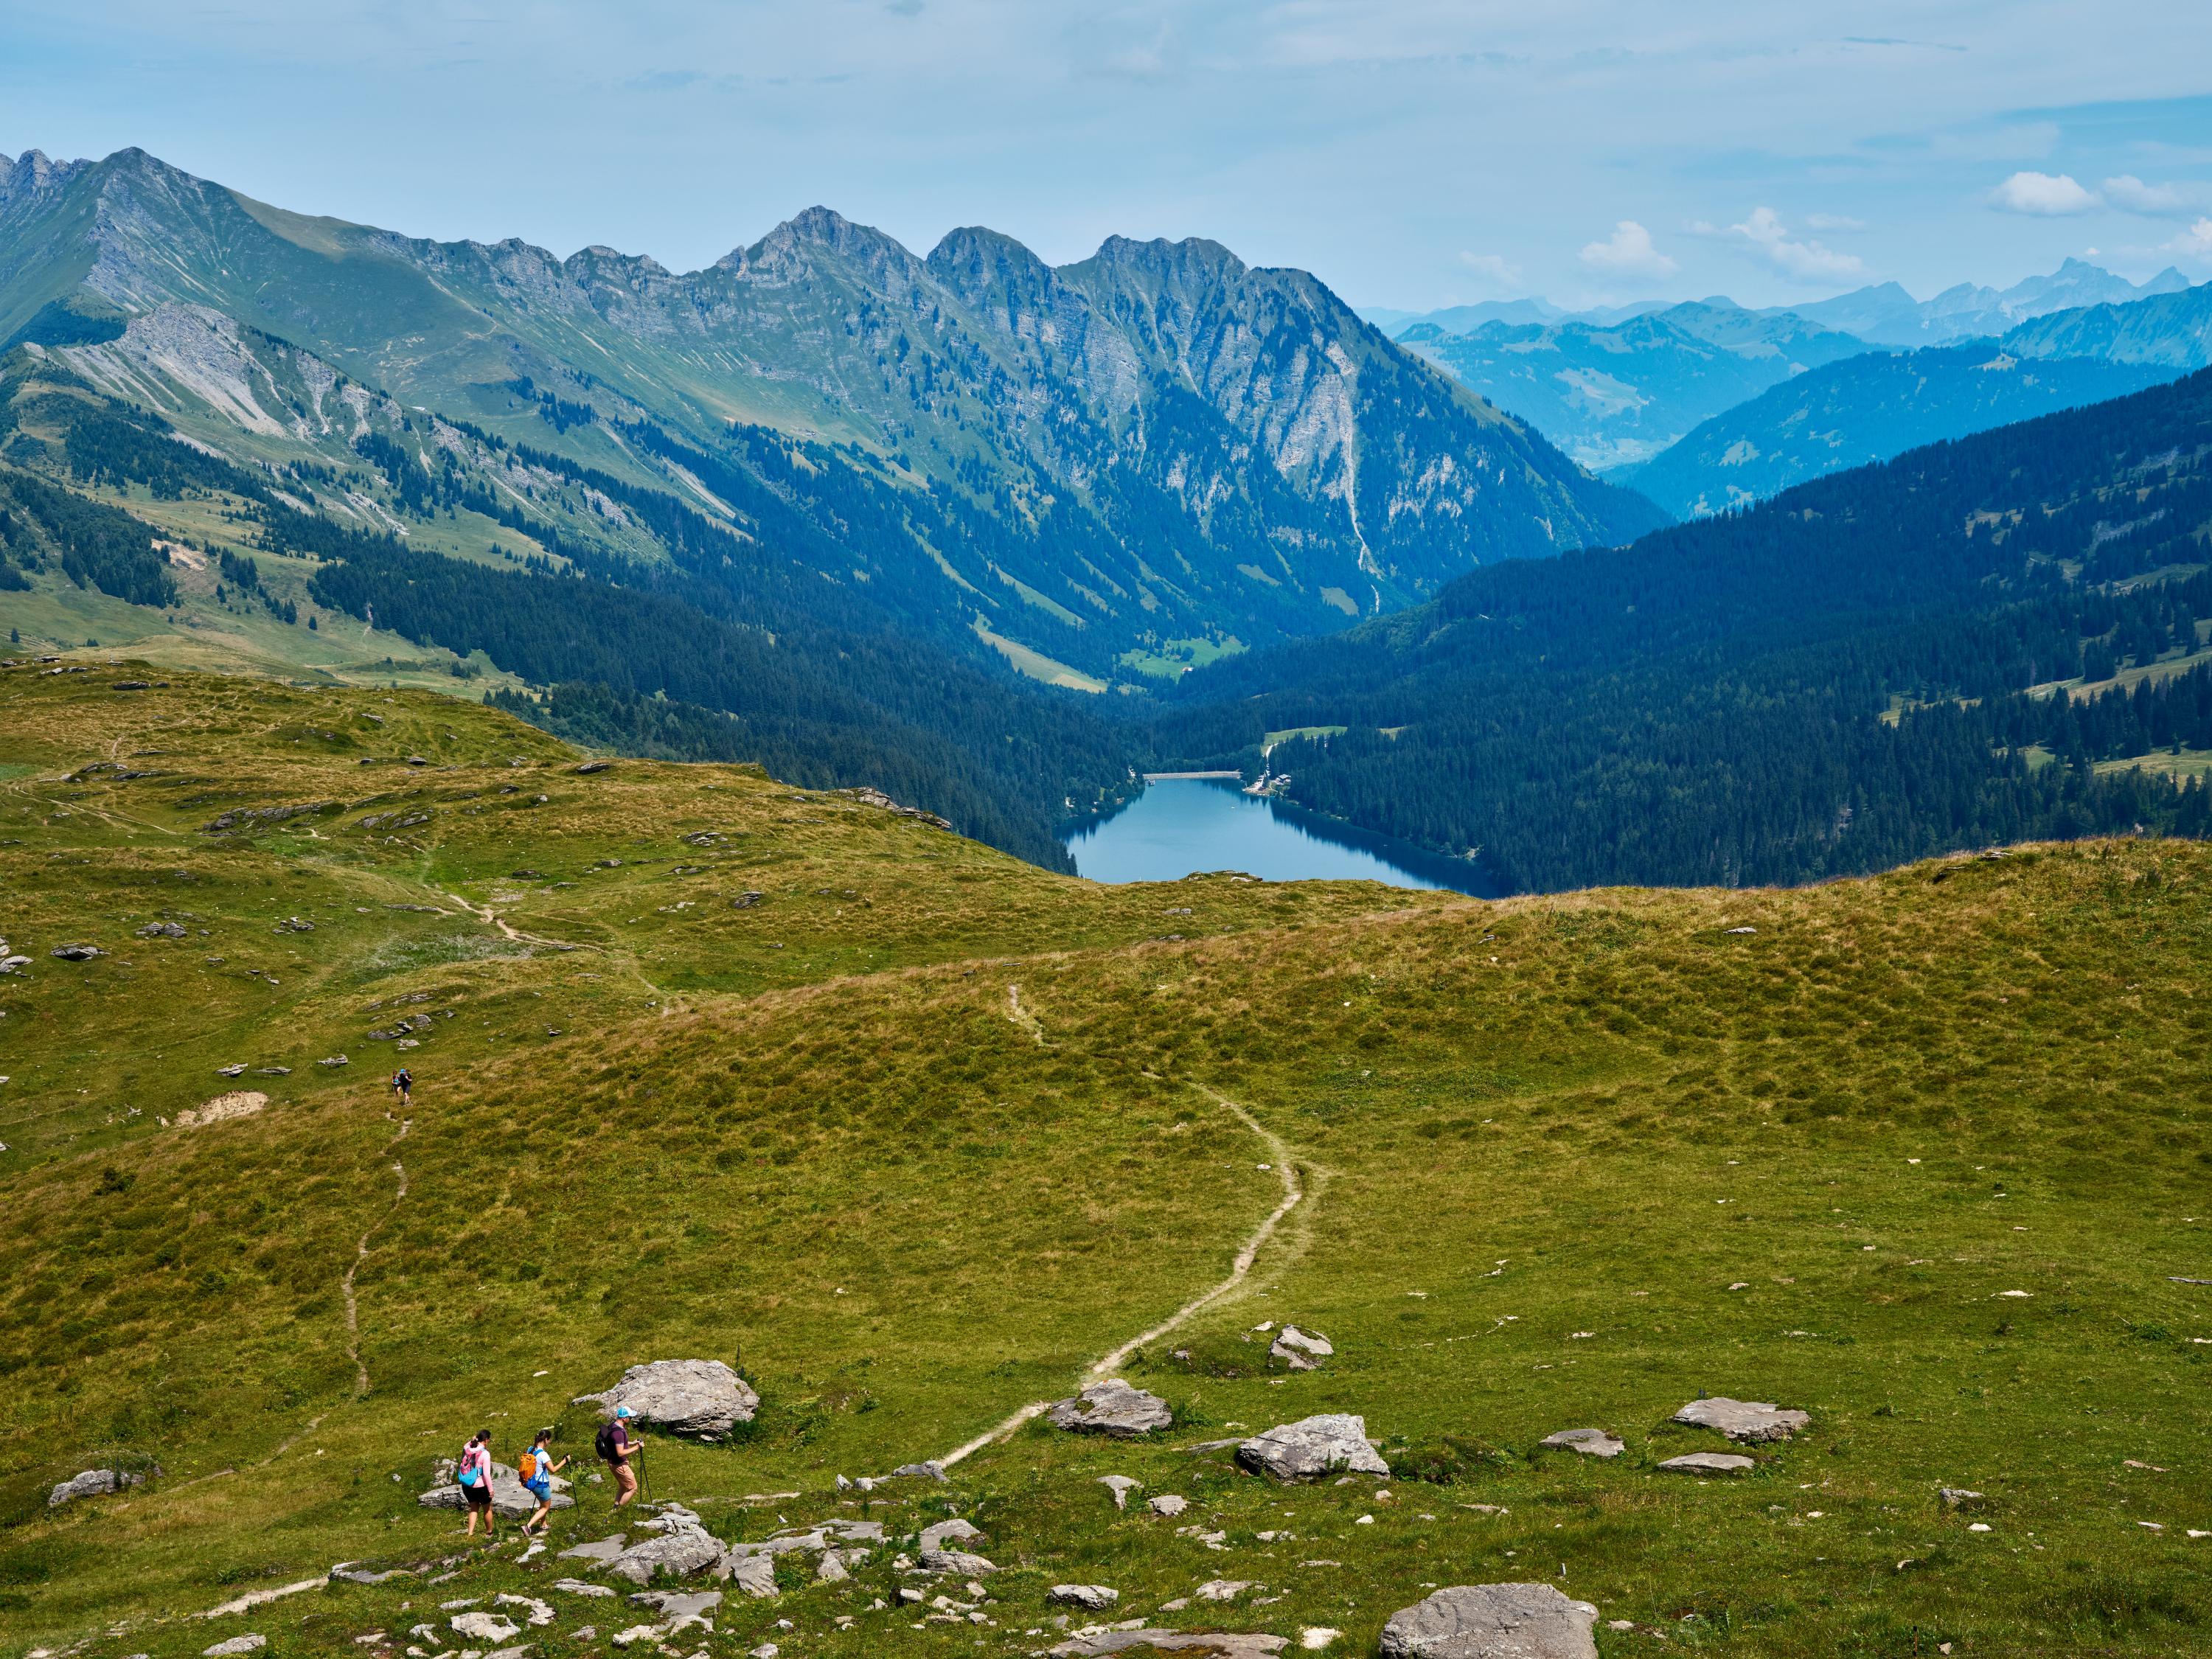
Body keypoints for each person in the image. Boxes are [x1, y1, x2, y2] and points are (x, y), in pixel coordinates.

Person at [518, 1427, 567, 1537]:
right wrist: (564, 1461)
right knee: (546, 1507)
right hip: (541, 1484)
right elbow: (553, 1470)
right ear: (546, 1440)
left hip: (531, 1482)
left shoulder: (531, 1449)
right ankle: (528, 1526)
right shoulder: (543, 1454)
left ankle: (544, 1525)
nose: (549, 1442)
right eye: (549, 1440)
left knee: (542, 1503)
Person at [597, 1405, 642, 1507]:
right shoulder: (618, 1433)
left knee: (623, 1485)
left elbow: (617, 1443)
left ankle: (616, 1505)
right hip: (619, 1464)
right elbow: (620, 1452)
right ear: (624, 1418)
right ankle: (618, 1510)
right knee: (633, 1488)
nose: (630, 1419)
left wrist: (632, 1442)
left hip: (614, 1462)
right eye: (630, 1418)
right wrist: (637, 1447)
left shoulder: (614, 1426)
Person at [456, 1428, 496, 1540]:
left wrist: (472, 1440)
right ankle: (489, 1532)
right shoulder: (485, 1454)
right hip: (480, 1485)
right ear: (487, 1440)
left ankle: (470, 1533)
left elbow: (467, 1444)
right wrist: (491, 1490)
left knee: (473, 1508)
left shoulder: (467, 1448)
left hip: (466, 1485)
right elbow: (487, 1475)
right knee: (487, 1509)